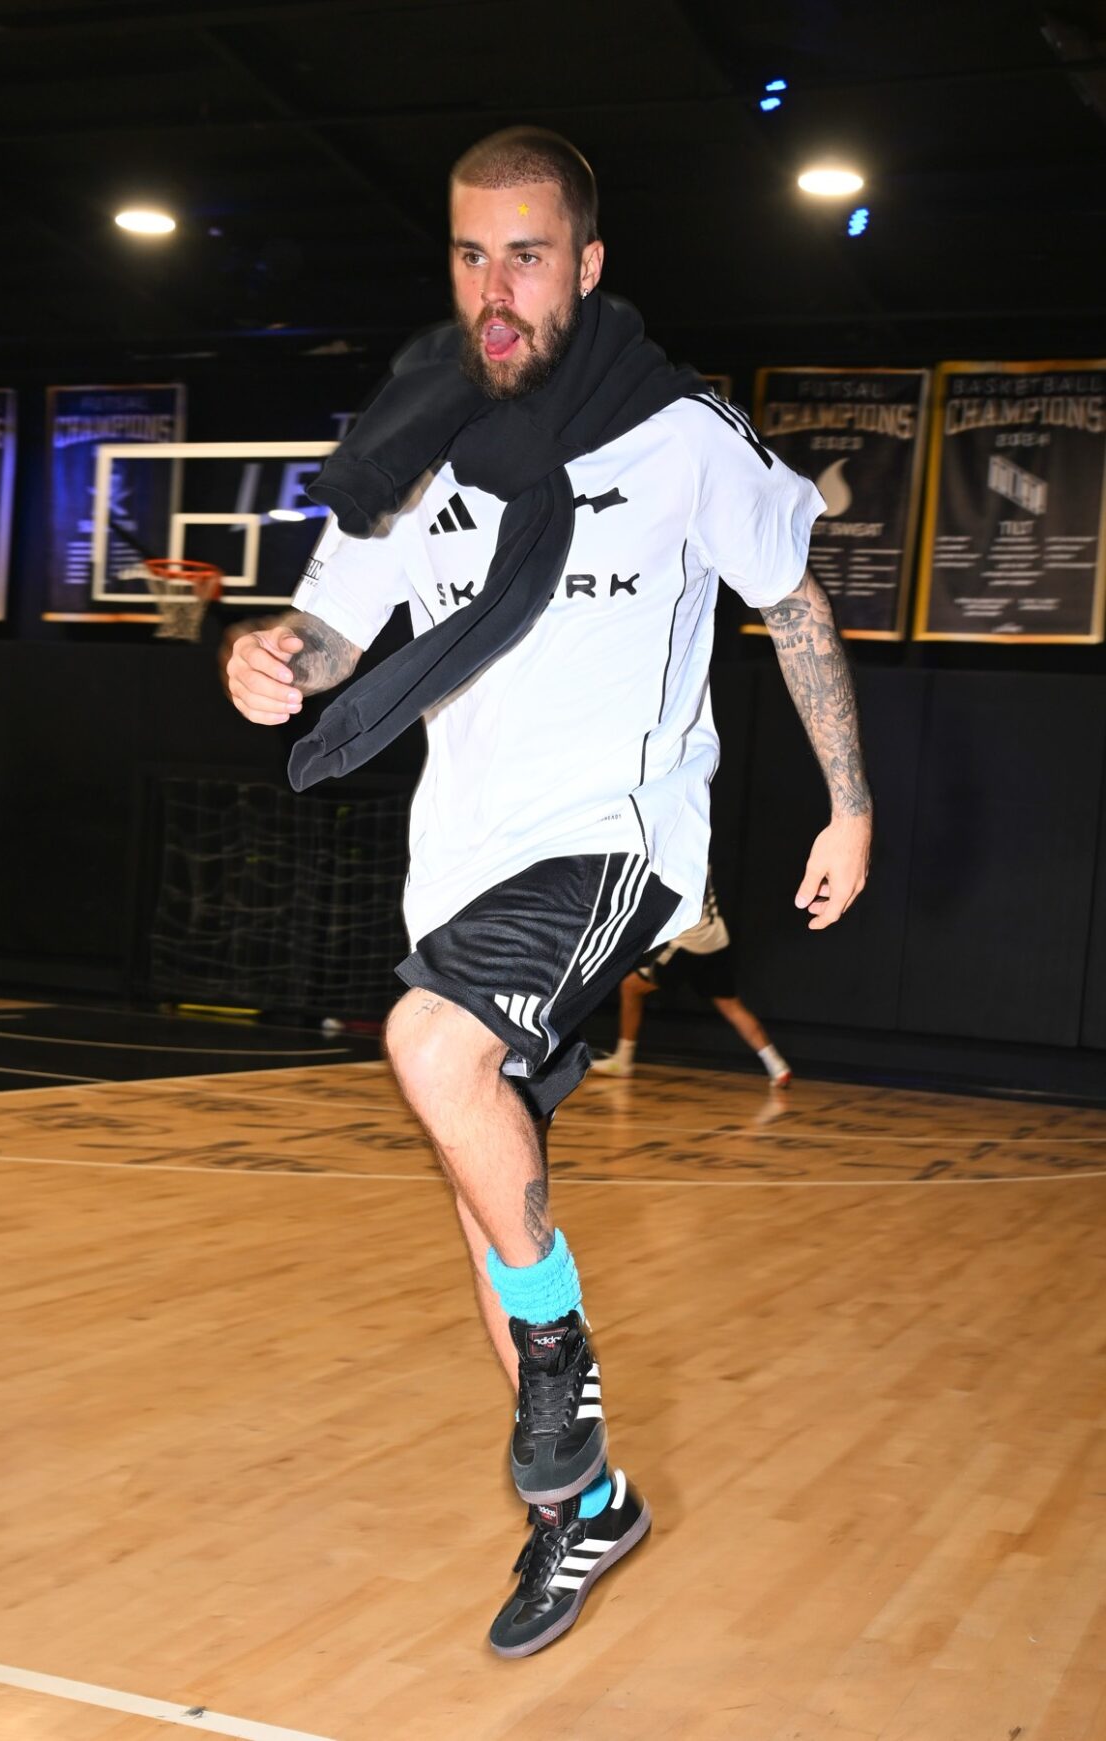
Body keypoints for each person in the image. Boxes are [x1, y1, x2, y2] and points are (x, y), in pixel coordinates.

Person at [225, 126, 871, 1659]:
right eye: (469, 253)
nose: (496, 285)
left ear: (585, 264)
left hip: (621, 836)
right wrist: (275, 662)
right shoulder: (412, 439)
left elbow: (793, 597)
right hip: (463, 856)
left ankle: (563, 1361)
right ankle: (581, 1501)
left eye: (528, 253)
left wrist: (849, 805)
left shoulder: (677, 434)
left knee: (431, 1048)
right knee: (481, 1192)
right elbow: (335, 629)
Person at [592, 870, 792, 1083]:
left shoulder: (674, 862)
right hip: (715, 940)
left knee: (630, 987)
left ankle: (623, 1060)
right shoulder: (697, 852)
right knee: (732, 1007)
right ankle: (778, 1066)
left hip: (689, 945)